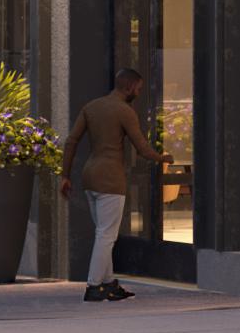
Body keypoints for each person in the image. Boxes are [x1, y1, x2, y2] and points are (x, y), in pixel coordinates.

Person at [58, 68, 167, 303]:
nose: (138, 93)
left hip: (90, 176)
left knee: (104, 233)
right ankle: (94, 286)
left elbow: (71, 141)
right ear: (128, 87)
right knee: (106, 235)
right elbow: (142, 148)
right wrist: (163, 158)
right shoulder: (124, 111)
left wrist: (65, 175)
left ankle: (108, 283)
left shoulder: (91, 107)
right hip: (110, 177)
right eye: (138, 89)